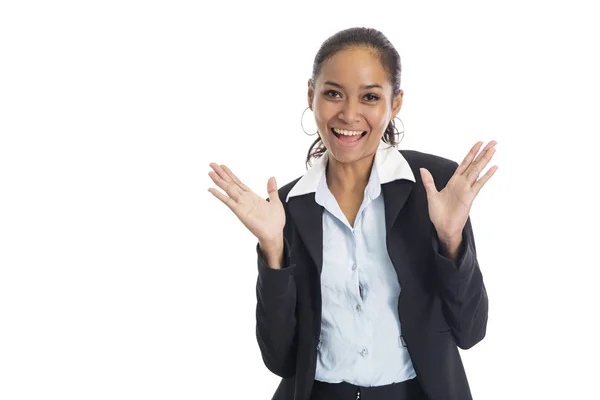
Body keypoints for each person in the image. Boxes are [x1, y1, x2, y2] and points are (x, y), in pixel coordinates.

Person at [208, 27, 497, 400]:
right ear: (311, 95)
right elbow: (280, 359)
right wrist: (273, 250)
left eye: (370, 97)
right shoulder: (284, 208)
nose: (349, 114)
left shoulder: (434, 186)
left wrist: (452, 241)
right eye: (332, 94)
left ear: (395, 104)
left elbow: (470, 332)